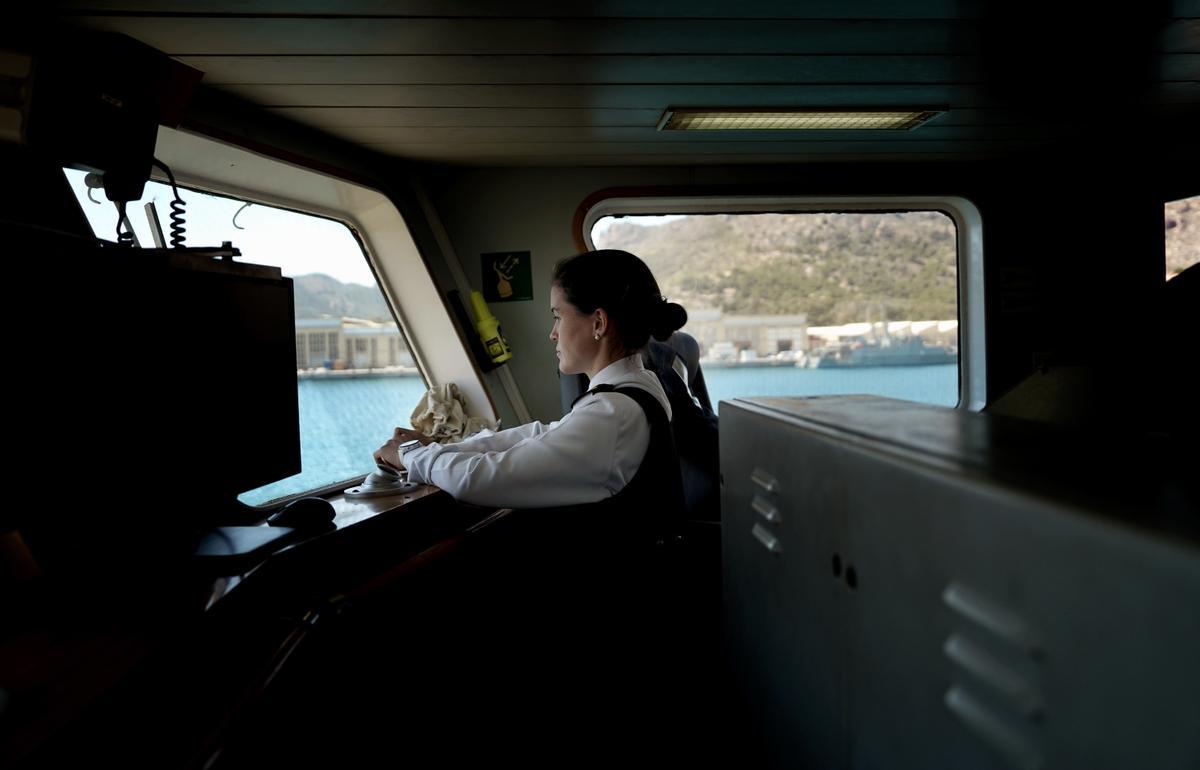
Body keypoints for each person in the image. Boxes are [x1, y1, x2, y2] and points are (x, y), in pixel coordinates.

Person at [373, 249, 688, 533]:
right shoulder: (636, 386)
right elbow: (542, 435)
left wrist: (409, 455)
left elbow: (482, 479)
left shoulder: (612, 414)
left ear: (599, 322)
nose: (553, 334)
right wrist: (440, 449)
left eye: (557, 316)